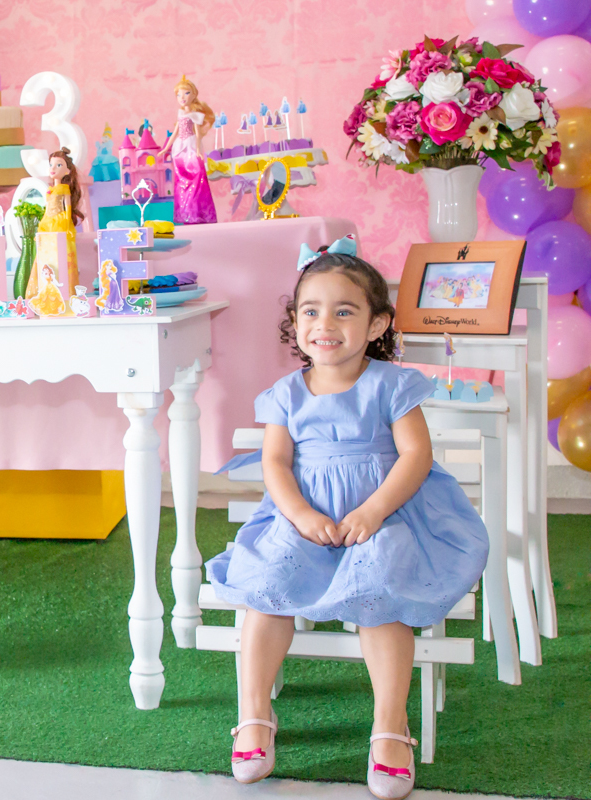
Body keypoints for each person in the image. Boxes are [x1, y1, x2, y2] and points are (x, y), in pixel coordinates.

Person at [205, 236, 488, 800]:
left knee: (382, 591)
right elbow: (277, 464)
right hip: (304, 520)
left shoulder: (391, 386)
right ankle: (256, 714)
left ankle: (390, 725)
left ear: (377, 324)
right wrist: (302, 515)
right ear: (295, 321)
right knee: (267, 589)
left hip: (382, 515)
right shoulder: (284, 395)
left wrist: (373, 510)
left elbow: (416, 457)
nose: (324, 324)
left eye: (344, 310)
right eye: (310, 310)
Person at [156, 76, 217, 225]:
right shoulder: (180, 113)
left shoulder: (195, 115)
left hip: (190, 146)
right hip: (179, 148)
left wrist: (197, 150)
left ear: (194, 95)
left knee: (196, 180)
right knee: (181, 182)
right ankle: (186, 214)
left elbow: (196, 135)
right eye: (178, 95)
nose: (182, 98)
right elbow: (175, 132)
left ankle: (198, 213)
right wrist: (165, 149)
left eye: (186, 93)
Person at [34, 147, 83, 290]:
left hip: (59, 221)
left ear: (67, 171)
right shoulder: (51, 188)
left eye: (59, 165)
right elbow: (48, 207)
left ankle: (63, 285)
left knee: (60, 251)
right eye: (51, 165)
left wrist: (67, 223)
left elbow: (67, 207)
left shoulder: (64, 189)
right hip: (48, 220)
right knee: (47, 253)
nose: (53, 168)